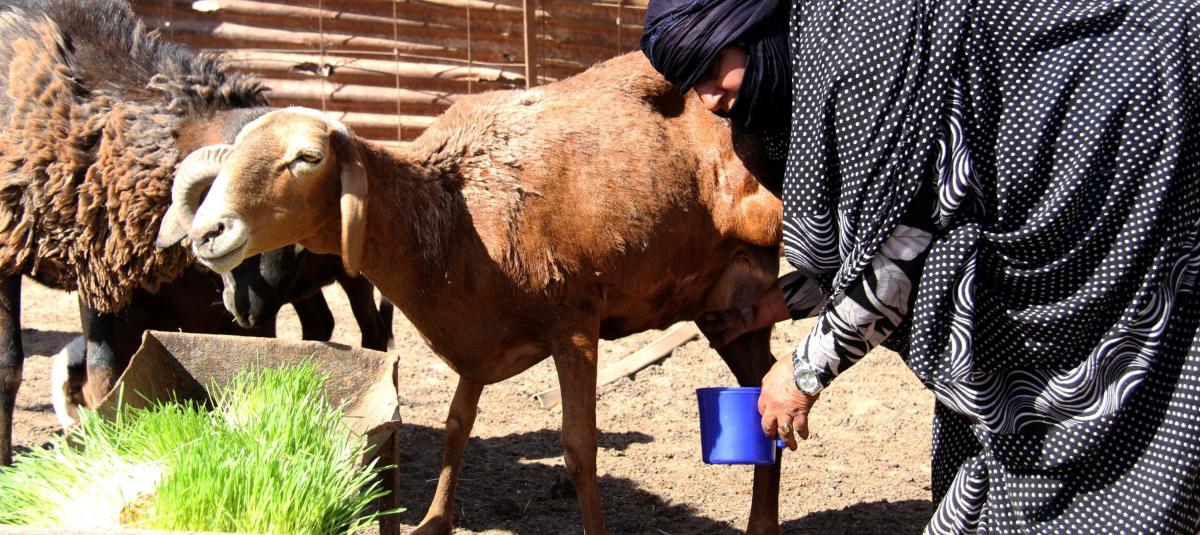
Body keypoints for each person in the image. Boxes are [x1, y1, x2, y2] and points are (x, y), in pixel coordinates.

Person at [642, 0, 1200, 533]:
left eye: (711, 68)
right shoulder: (819, 55)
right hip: (1018, 323)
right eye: (693, 83)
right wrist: (772, 306)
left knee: (1091, 479)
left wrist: (803, 373)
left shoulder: (861, 57)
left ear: (749, 27)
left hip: (1108, 256)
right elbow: (884, 246)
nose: (708, 99)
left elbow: (906, 249)